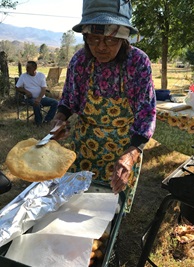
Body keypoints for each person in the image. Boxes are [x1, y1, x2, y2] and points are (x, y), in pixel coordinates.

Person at [53, 0, 156, 213]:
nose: (101, 47)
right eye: (94, 39)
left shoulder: (137, 63)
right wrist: (59, 120)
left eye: (110, 40)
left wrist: (130, 155)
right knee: (76, 207)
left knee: (110, 211)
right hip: (85, 149)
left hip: (123, 151)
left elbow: (146, 113)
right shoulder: (80, 61)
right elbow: (68, 101)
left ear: (123, 37)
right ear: (85, 37)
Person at [15, 61, 58, 126]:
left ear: (35, 68)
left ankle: (47, 120)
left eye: (29, 67)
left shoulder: (41, 75)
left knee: (55, 103)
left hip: (42, 98)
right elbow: (17, 87)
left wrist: (39, 98)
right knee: (36, 104)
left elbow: (44, 88)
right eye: (26, 67)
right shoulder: (23, 76)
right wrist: (26, 91)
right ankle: (38, 122)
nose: (27, 69)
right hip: (29, 98)